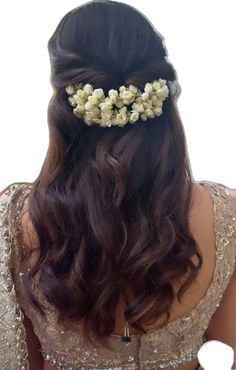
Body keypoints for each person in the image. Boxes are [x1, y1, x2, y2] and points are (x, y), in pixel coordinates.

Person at [0, 1, 235, 369]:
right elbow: (229, 330)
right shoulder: (225, 215)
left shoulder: (15, 221)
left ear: (62, 97)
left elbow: (19, 358)